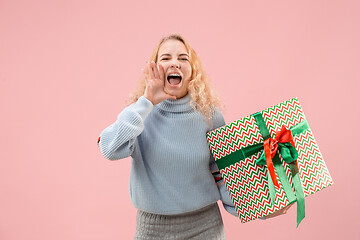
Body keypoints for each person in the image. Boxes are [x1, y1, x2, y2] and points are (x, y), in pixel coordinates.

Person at [97, 33, 290, 239]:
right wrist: (146, 102)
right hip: (152, 230)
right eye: (165, 58)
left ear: (192, 70)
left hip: (206, 227)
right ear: (154, 69)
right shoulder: (139, 114)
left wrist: (262, 209)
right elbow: (108, 148)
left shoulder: (209, 115)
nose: (175, 64)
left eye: (183, 58)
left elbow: (222, 176)